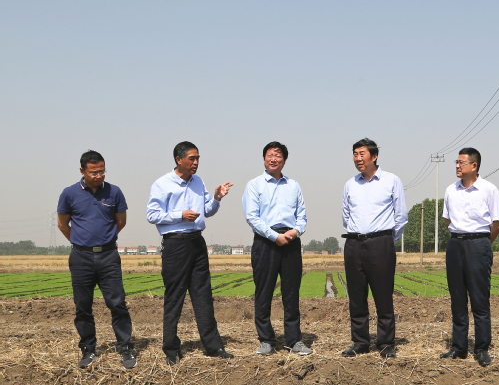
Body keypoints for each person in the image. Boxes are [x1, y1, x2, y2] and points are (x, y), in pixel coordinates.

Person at [146, 141, 235, 365]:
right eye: (191, 159)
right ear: (179, 160)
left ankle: (213, 346)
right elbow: (152, 215)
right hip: (175, 245)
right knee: (174, 297)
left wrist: (217, 198)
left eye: (197, 159)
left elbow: (207, 211)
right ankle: (171, 349)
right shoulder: (162, 184)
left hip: (197, 243)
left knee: (203, 295)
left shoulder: (198, 182)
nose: (196, 163)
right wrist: (180, 215)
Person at [57, 150, 136, 369]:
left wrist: (104, 239)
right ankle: (88, 349)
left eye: (102, 171)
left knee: (117, 303)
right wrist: (82, 242)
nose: (99, 176)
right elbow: (62, 224)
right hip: (81, 257)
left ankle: (125, 347)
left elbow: (121, 222)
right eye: (94, 172)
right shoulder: (69, 194)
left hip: (109, 256)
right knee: (83, 306)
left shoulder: (114, 192)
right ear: (82, 171)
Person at [243, 141, 312, 356]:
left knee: (291, 293)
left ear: (284, 160)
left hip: (291, 242)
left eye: (278, 155)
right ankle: (266, 340)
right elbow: (252, 217)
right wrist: (275, 237)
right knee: (263, 292)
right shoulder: (254, 185)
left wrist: (296, 231)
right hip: (265, 241)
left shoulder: (294, 185)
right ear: (264, 159)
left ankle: (294, 340)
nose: (274, 159)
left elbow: (302, 216)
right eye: (270, 155)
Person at [340, 138, 408, 359]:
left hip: (380, 244)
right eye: (355, 154)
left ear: (374, 156)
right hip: (353, 244)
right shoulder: (350, 184)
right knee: (356, 296)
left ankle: (386, 343)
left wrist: (386, 239)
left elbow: (401, 216)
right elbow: (346, 216)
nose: (358, 158)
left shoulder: (391, 181)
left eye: (362, 154)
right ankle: (360, 342)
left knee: (383, 294)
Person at [439, 148, 499, 367]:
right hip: (455, 244)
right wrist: (460, 237)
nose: (457, 166)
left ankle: (482, 348)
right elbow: (447, 220)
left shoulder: (489, 189)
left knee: (479, 298)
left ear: (474, 166)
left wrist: (482, 243)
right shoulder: (451, 190)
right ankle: (459, 347)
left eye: (461, 162)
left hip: (479, 244)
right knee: (457, 297)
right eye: (456, 162)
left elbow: (497, 224)